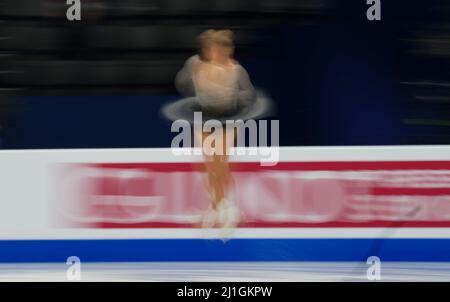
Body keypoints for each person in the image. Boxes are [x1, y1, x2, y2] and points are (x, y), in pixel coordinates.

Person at [174, 29, 256, 230]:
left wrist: (236, 97)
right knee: (209, 164)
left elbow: (249, 94)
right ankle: (218, 206)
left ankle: (226, 207)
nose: (223, 54)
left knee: (221, 163)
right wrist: (196, 84)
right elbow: (181, 82)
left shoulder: (236, 69)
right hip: (204, 118)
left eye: (227, 50)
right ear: (210, 50)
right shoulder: (195, 64)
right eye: (218, 50)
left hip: (229, 119)